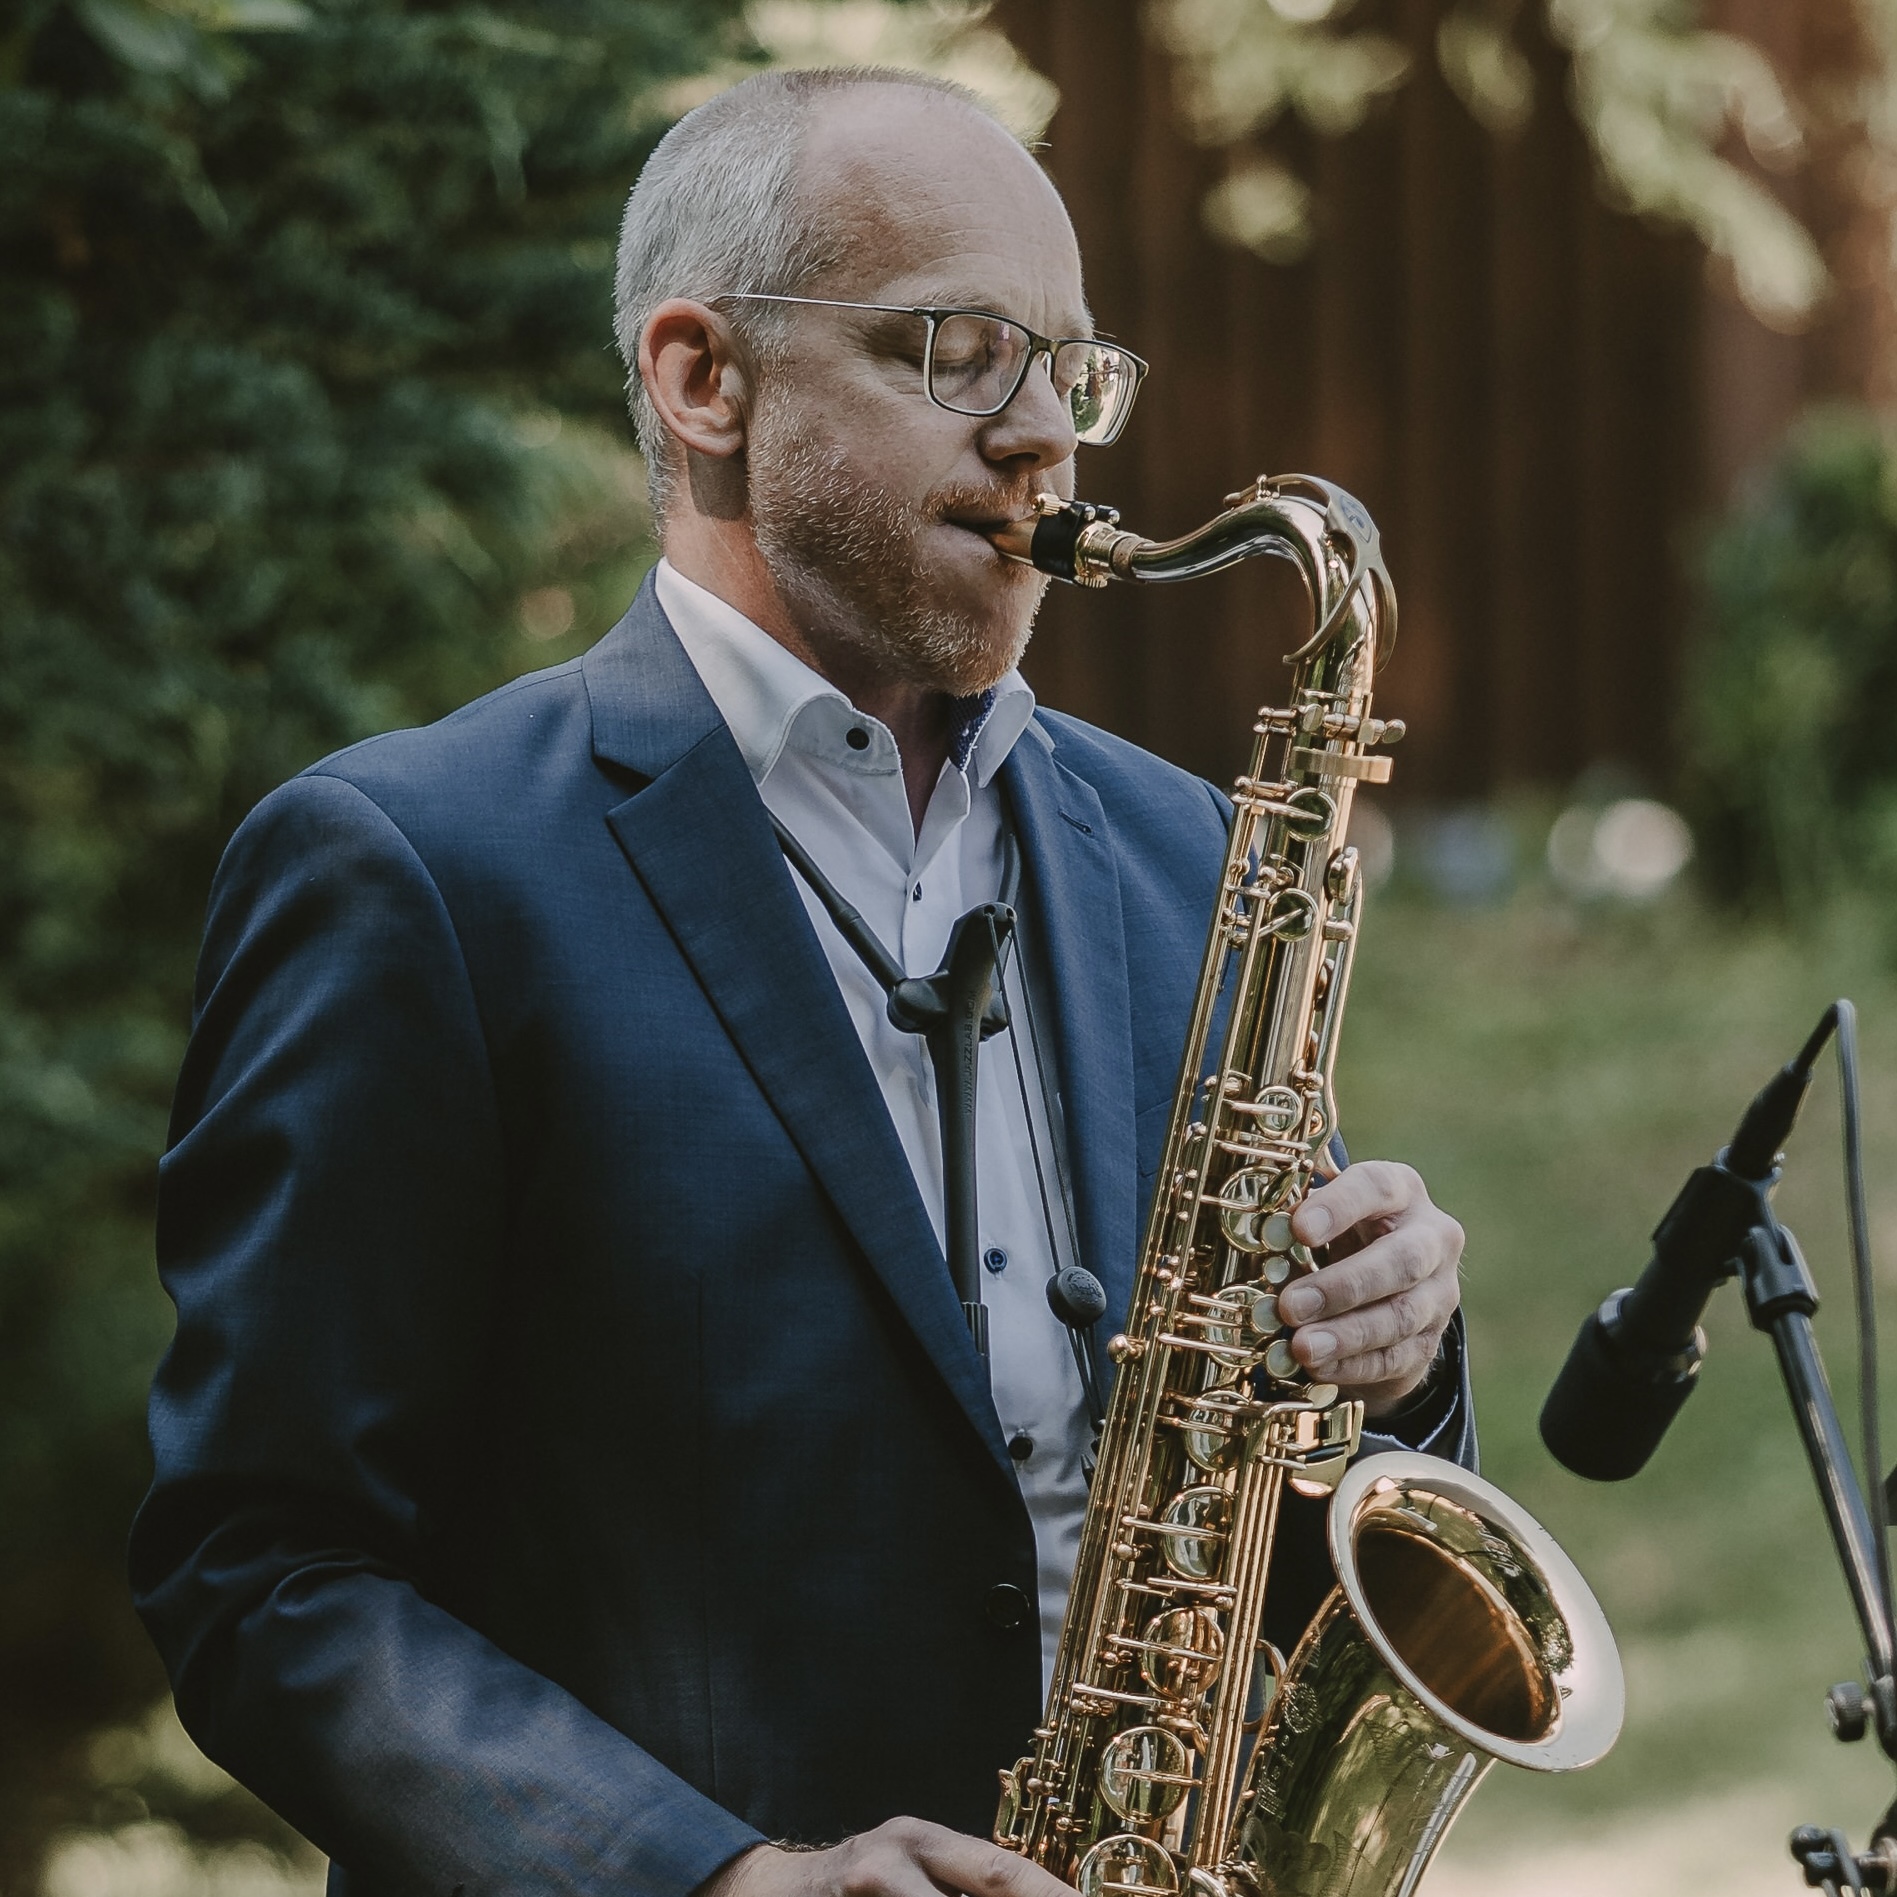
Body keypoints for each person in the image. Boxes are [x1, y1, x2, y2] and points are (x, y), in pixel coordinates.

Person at [131, 67, 1471, 1897]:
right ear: (704, 380)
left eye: (1067, 369)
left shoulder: (1185, 851)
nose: (1042, 441)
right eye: (956, 349)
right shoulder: (413, 866)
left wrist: (1385, 1350)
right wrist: (714, 1877)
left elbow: (1255, 1518)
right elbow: (263, 1568)